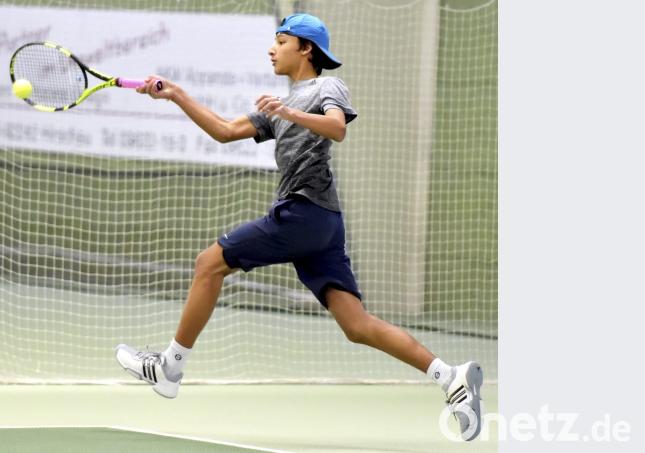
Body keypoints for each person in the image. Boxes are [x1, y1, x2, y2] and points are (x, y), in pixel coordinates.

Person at [115, 13, 484, 441]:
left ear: (306, 49)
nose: (272, 49)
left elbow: (337, 128)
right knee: (356, 325)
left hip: (304, 213)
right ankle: (450, 378)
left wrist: (288, 109)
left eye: (282, 41)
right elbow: (224, 130)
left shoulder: (326, 88)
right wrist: (177, 94)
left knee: (209, 263)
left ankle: (169, 367)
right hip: (323, 224)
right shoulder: (277, 107)